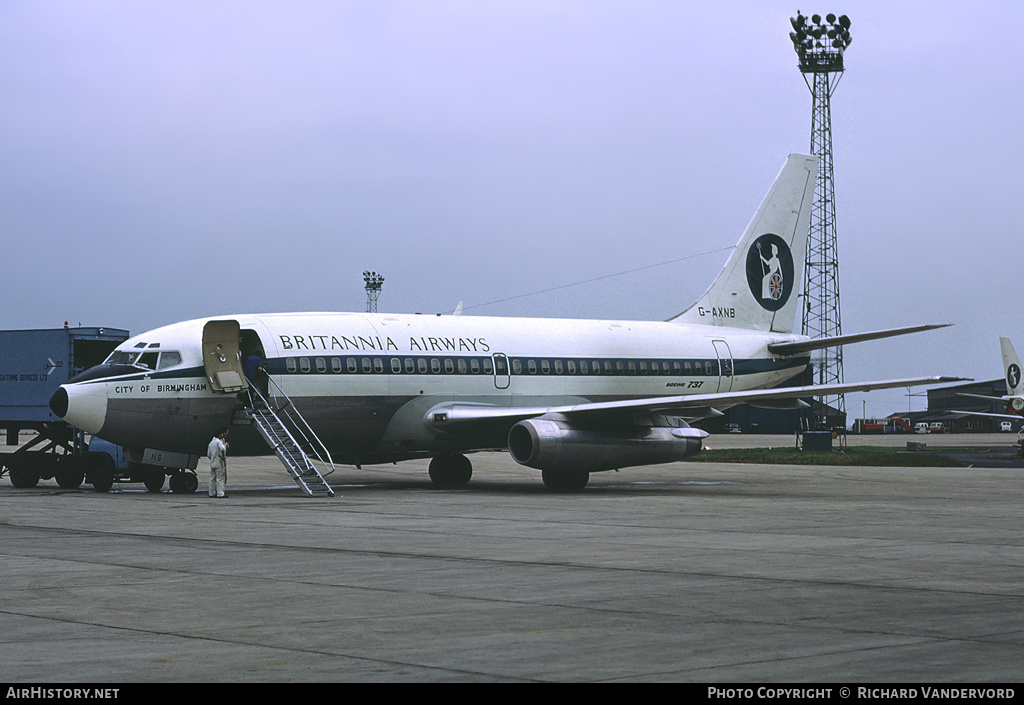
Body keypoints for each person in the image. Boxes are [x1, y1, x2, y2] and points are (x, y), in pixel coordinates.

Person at [207, 426, 229, 498]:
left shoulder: (211, 443)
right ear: (219, 435)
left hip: (212, 462)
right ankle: (220, 493)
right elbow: (222, 449)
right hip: (218, 462)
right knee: (220, 478)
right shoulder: (218, 441)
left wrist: (213, 458)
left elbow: (208, 455)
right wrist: (225, 446)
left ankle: (211, 492)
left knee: (212, 478)